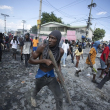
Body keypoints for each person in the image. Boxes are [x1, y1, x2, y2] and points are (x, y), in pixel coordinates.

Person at [28, 30, 64, 110]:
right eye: (49, 37)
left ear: (57, 40)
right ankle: (33, 97)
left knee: (59, 97)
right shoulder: (42, 47)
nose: (49, 40)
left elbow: (58, 63)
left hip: (51, 76)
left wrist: (60, 75)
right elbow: (30, 60)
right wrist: (43, 61)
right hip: (41, 75)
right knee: (37, 89)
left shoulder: (60, 51)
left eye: (53, 38)